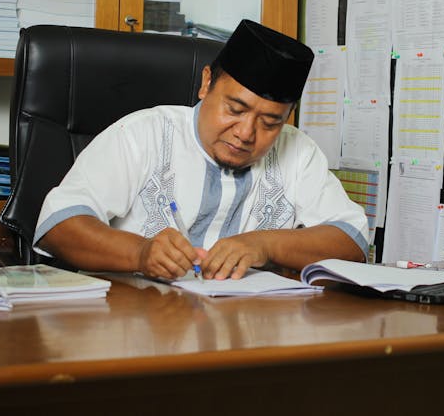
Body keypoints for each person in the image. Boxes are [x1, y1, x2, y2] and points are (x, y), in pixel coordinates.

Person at [33, 19, 369, 280]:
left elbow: (351, 240)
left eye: (270, 122)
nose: (246, 133)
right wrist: (140, 253)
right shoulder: (144, 133)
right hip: (135, 326)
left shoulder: (298, 151)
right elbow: (58, 227)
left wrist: (264, 244)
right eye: (235, 110)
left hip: (250, 332)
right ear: (206, 83)